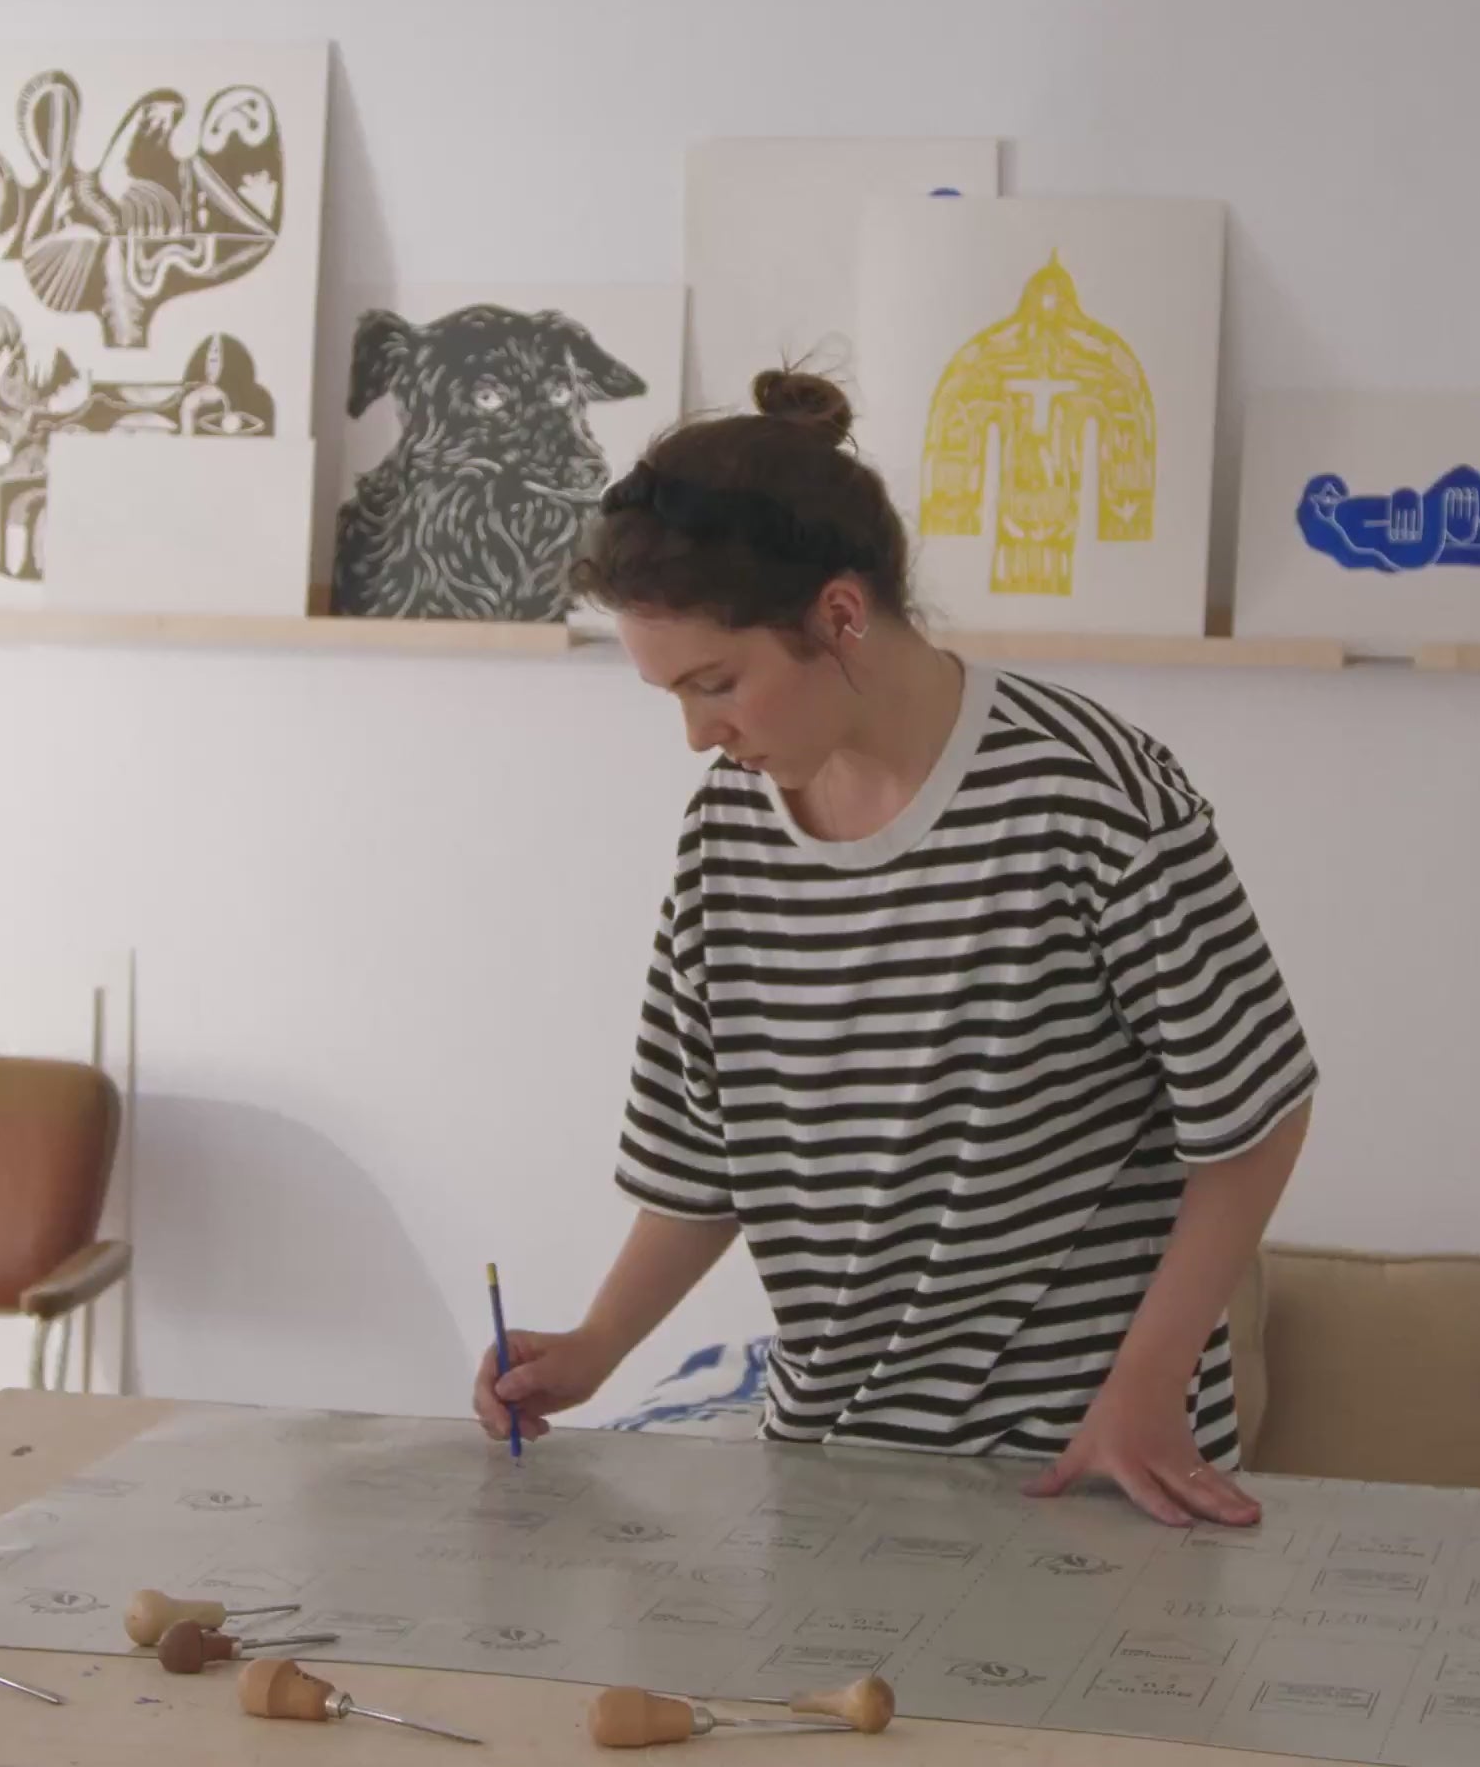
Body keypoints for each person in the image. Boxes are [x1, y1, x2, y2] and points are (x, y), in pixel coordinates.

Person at [474, 369, 1316, 1529]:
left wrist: (1145, 1389)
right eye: (671, 694)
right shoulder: (725, 832)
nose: (697, 734)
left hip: (1092, 1464)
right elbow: (702, 1153)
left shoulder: (1089, 794)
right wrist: (593, 1346)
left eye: (717, 684)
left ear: (838, 614)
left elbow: (1256, 1113)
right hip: (833, 1471)